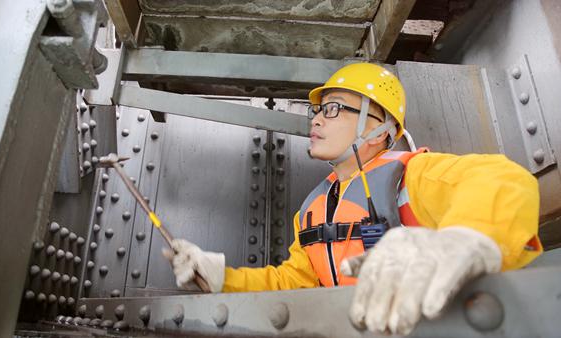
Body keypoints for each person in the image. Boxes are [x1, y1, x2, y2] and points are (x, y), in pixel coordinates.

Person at [163, 63, 542, 335]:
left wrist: (466, 237)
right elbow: (293, 282)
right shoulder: (311, 209)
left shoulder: (412, 175)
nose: (315, 120)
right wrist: (223, 278)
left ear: (379, 130)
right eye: (317, 111)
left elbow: (502, 179)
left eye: (332, 109)